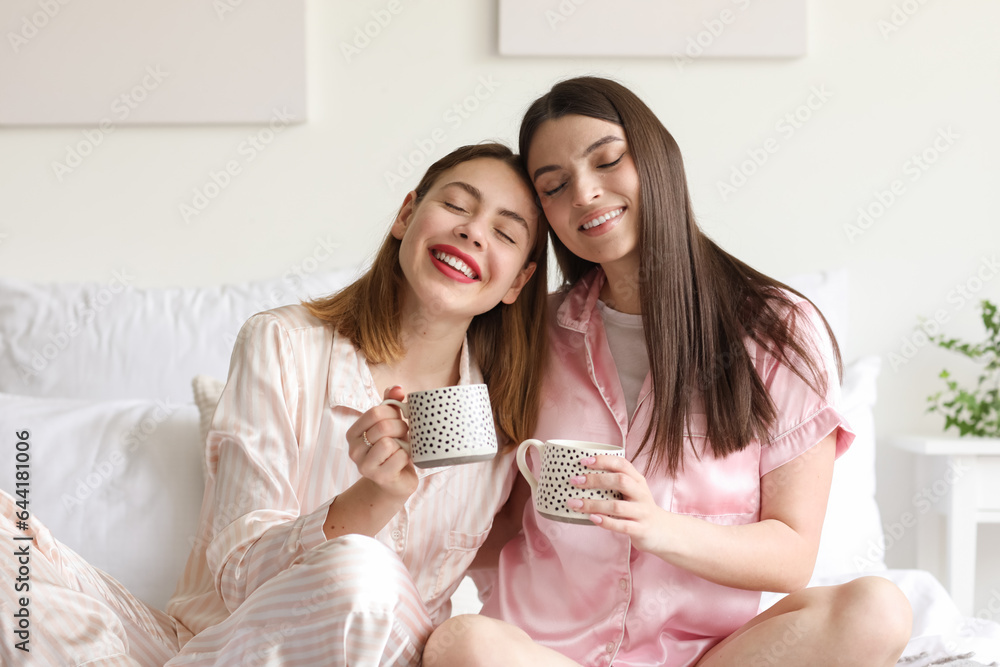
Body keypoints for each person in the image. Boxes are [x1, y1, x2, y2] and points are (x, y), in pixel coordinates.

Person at [423, 78, 913, 667]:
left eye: (607, 161)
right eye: (553, 186)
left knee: (877, 609)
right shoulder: (534, 332)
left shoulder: (776, 329)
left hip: (709, 657)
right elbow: (494, 523)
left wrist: (655, 526)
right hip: (546, 654)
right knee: (462, 643)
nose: (585, 193)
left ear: (657, 157)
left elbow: (790, 555)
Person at [0, 142, 548, 667]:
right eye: (455, 204)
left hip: (380, 653)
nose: (472, 231)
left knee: (362, 572)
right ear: (406, 215)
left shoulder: (509, 413)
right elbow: (238, 574)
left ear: (518, 282)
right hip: (207, 646)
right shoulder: (283, 343)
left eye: (503, 232)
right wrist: (370, 498)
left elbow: (529, 583)